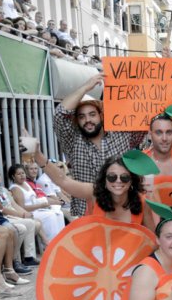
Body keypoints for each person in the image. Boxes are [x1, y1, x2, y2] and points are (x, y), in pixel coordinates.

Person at [53, 74, 147, 217]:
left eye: (92, 114)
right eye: (82, 116)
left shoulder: (122, 134)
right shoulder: (72, 140)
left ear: (101, 115)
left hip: (122, 211)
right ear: (77, 120)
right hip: (88, 214)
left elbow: (148, 115)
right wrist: (86, 86)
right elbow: (60, 113)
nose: (87, 120)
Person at [35, 152, 154, 230]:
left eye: (124, 177)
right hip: (97, 263)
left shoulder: (142, 202)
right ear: (105, 179)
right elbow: (64, 181)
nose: (118, 181)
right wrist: (38, 156)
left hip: (130, 263)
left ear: (131, 181)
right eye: (112, 177)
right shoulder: (95, 193)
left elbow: (151, 240)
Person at [8, 164, 66, 241]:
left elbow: (35, 198)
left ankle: (61, 239)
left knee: (58, 213)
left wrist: (45, 204)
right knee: (51, 215)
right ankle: (51, 242)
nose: (22, 176)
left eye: (23, 173)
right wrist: (40, 205)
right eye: (19, 174)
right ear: (13, 176)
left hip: (38, 209)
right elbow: (22, 208)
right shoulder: (15, 188)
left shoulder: (25, 183)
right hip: (29, 212)